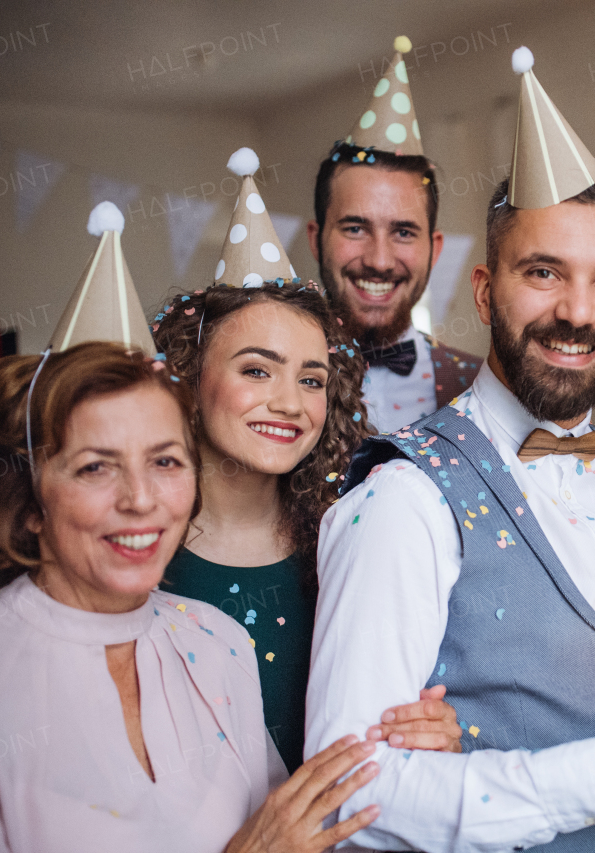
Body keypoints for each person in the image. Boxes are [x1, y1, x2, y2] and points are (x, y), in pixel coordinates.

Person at [305, 49, 595, 852]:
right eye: (545, 272)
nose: (578, 312)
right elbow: (347, 800)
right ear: (486, 290)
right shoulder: (402, 500)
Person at [0, 343, 381, 853]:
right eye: (95, 468)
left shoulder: (219, 640)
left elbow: (295, 829)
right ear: (29, 500)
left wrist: (401, 740)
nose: (141, 500)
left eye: (165, 462)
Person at [152, 282, 461, 772]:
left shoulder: (356, 544)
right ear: (187, 376)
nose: (290, 405)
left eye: (311, 381)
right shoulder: (136, 556)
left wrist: (434, 732)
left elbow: (400, 708)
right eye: (257, 370)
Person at [307, 36, 480, 434]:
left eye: (403, 232)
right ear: (317, 239)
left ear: (434, 249)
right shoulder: (270, 386)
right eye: (355, 228)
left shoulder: (482, 388)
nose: (379, 260)